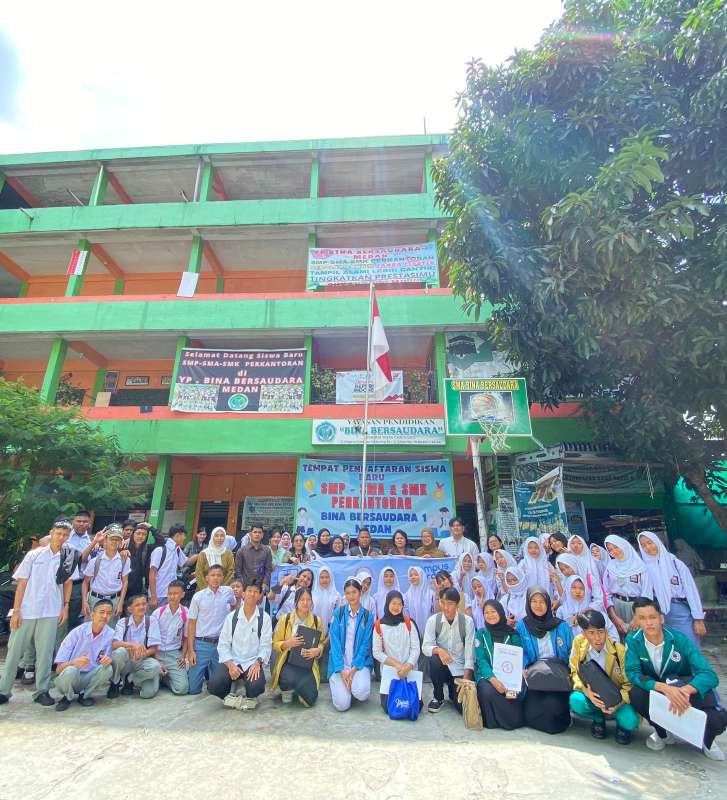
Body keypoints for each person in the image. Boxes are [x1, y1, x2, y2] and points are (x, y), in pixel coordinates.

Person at [626, 597, 726, 760]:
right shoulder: (633, 640)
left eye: (652, 617)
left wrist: (684, 691)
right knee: (636, 694)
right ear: (636, 620)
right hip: (659, 692)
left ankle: (706, 741)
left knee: (718, 719)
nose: (649, 623)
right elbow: (633, 674)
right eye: (642, 618)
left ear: (661, 618)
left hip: (683, 689)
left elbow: (709, 675)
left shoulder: (679, 640)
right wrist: (665, 689)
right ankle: (662, 734)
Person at [0, 520, 73, 707]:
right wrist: (16, 611)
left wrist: (65, 606)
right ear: (51, 533)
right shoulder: (34, 555)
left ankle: (42, 690)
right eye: (59, 533)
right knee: (15, 651)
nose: (61, 537)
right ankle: (4, 690)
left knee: (46, 653)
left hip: (51, 611)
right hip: (27, 610)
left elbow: (68, 583)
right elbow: (21, 583)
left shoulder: (68, 557)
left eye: (65, 535)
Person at [568, 608, 639, 744]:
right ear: (584, 633)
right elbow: (574, 671)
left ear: (606, 631)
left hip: (615, 699)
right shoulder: (578, 643)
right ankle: (598, 719)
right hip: (593, 696)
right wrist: (586, 692)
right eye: (591, 633)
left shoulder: (619, 651)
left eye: (601, 632)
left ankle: (622, 726)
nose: (597, 637)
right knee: (576, 700)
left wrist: (618, 703)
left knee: (630, 721)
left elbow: (629, 684)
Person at [516, 586, 574, 734]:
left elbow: (571, 654)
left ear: (548, 603)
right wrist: (523, 667)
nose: (538, 605)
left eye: (542, 601)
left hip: (558, 677)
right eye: (534, 601)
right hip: (535, 677)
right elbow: (520, 651)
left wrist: (570, 673)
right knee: (530, 713)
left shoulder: (562, 626)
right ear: (528, 604)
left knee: (552, 711)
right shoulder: (522, 626)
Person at [209, 579, 272, 710]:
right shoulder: (232, 617)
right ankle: (229, 696)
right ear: (243, 593)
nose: (252, 594)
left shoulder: (264, 618)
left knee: (256, 687)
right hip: (234, 660)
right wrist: (230, 664)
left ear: (260, 596)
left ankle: (249, 694)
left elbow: (266, 646)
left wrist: (258, 662)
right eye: (249, 591)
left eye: (256, 592)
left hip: (251, 662)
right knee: (214, 685)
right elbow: (223, 645)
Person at [637, 530, 706, 646]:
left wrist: (698, 619)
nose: (647, 548)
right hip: (657, 612)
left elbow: (691, 592)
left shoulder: (675, 564)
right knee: (667, 649)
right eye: (643, 545)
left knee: (689, 645)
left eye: (650, 543)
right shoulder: (644, 568)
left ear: (657, 542)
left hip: (679, 611)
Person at [53, 598, 115, 711]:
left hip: (89, 677)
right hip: (71, 677)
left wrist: (108, 660)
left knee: (108, 669)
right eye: (102, 612)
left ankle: (85, 695)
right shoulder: (76, 633)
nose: (105, 616)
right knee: (70, 670)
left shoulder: (111, 634)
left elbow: (108, 659)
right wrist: (74, 662)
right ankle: (67, 697)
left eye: (109, 613)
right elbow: (58, 670)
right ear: (92, 614)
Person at [422, 588, 475, 713]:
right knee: (434, 659)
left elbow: (469, 653)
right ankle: (438, 697)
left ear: (457, 604)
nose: (446, 607)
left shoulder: (467, 622)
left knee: (462, 707)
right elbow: (425, 647)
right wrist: (439, 650)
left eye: (450, 603)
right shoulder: (433, 621)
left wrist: (466, 681)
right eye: (443, 602)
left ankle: (453, 690)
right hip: (443, 666)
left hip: (459, 667)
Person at [271, 586, 325, 707]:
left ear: (312, 602)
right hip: (288, 661)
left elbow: (320, 643)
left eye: (308, 599)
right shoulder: (285, 619)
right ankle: (288, 689)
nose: (305, 603)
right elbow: (275, 643)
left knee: (310, 699)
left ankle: (299, 688)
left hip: (307, 663)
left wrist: (318, 650)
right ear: (296, 602)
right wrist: (287, 643)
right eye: (302, 600)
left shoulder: (317, 621)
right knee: (289, 679)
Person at [474, 599, 524, 729]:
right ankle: (492, 722)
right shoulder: (481, 633)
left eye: (493, 611)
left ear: (501, 613)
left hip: (509, 677)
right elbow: (481, 660)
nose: (490, 615)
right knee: (488, 692)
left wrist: (513, 681)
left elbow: (518, 660)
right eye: (486, 613)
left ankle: (511, 719)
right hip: (487, 676)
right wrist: (493, 679)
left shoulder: (513, 634)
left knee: (511, 696)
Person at [187, 564, 236, 694]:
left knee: (218, 688)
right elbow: (191, 624)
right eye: (212, 575)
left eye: (219, 575)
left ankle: (211, 673)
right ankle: (204, 672)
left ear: (223, 577)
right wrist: (191, 650)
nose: (215, 578)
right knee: (193, 689)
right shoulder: (198, 597)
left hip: (220, 645)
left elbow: (234, 605)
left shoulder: (228, 592)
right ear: (206, 578)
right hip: (201, 644)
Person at [328, 577, 375, 711]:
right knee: (342, 705)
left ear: (360, 592)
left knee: (362, 693)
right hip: (340, 664)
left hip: (358, 663)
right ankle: (345, 688)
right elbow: (335, 643)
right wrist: (342, 670)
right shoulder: (339, 613)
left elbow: (365, 646)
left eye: (354, 592)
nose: (351, 596)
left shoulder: (367, 616)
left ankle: (353, 687)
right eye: (348, 593)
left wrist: (353, 670)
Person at [373, 590, 421, 713]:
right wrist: (397, 665)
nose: (396, 607)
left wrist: (408, 665)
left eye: (399, 604)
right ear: (387, 604)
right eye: (393, 603)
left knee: (413, 705)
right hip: (390, 670)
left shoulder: (409, 623)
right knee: (389, 706)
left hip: (409, 669)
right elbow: (377, 652)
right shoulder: (379, 625)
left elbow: (416, 648)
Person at [108, 594, 162, 699]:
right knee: (119, 653)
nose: (142, 607)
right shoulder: (123, 622)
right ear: (130, 609)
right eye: (137, 605)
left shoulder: (151, 621)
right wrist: (133, 645)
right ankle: (115, 682)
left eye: (144, 604)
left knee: (155, 669)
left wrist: (142, 653)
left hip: (142, 659)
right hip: (126, 660)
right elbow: (114, 644)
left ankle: (130, 680)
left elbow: (154, 648)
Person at [603, 534, 652, 637]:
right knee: (621, 640)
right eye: (610, 550)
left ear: (623, 545)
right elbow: (606, 593)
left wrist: (637, 616)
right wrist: (614, 617)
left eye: (616, 547)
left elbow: (646, 593)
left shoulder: (640, 567)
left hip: (638, 607)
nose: (614, 552)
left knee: (640, 637)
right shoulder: (610, 567)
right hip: (617, 607)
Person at [81, 525, 130, 622]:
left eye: (117, 539)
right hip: (95, 599)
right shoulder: (95, 561)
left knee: (110, 631)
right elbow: (85, 582)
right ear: (105, 540)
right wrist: (84, 602)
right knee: (91, 629)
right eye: (112, 539)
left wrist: (120, 603)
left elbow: (125, 582)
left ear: (121, 542)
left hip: (114, 600)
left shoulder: (125, 560)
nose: (114, 542)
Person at [151, 579, 189, 695]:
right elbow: (150, 639)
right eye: (170, 594)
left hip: (174, 654)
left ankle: (165, 679)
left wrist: (183, 656)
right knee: (150, 691)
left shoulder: (186, 613)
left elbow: (187, 637)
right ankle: (158, 677)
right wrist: (156, 659)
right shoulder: (158, 613)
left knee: (182, 689)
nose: (172, 597)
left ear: (182, 595)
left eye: (176, 594)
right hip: (156, 654)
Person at [557, 575, 618, 640]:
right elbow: (558, 634)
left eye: (581, 588)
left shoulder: (594, 612)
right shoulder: (561, 611)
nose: (578, 591)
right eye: (574, 588)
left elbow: (613, 634)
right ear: (567, 589)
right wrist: (570, 622)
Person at [149, 524, 193, 610]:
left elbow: (187, 562)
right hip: (159, 595)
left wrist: (203, 553)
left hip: (172, 595)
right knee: (154, 621)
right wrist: (153, 597)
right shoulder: (160, 551)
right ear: (178, 535)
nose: (184, 538)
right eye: (184, 536)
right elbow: (152, 574)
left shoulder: (177, 550)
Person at [123, 523, 163, 598]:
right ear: (133, 534)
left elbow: (161, 542)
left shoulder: (148, 549)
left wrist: (151, 527)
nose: (140, 536)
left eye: (144, 534)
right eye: (138, 533)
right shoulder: (124, 546)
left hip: (137, 589)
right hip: (122, 587)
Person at [234, 525, 273, 593]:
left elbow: (268, 570)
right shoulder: (241, 551)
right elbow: (238, 570)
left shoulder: (267, 551)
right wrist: (242, 584)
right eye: (255, 532)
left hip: (261, 588)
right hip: (245, 588)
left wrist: (264, 584)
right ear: (250, 534)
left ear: (262, 535)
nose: (257, 534)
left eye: (259, 532)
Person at [404, 566, 433, 639]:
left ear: (422, 576)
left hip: (430, 633)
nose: (413, 577)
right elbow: (406, 614)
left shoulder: (431, 594)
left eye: (416, 575)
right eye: (411, 575)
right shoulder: (407, 595)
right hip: (413, 634)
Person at [312, 566, 340, 632]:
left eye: (327, 577)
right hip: (314, 631)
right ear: (318, 579)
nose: (324, 580)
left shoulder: (336, 596)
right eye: (321, 577)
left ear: (331, 578)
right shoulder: (312, 595)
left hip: (331, 631)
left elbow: (338, 616)